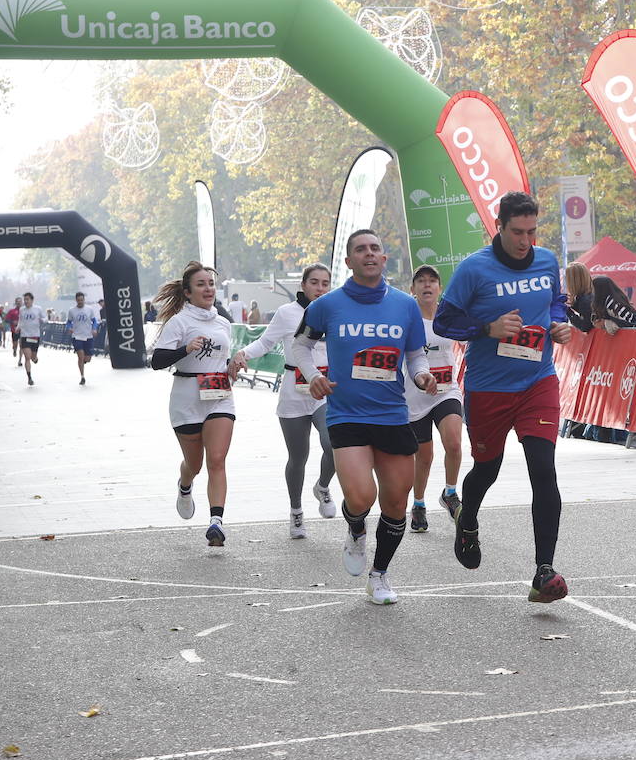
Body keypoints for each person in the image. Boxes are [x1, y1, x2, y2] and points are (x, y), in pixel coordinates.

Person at [434, 190, 573, 603]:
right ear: (498, 226)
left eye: (532, 231)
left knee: (543, 472)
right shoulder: (475, 269)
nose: (525, 241)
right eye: (517, 232)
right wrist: (486, 329)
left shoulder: (547, 261)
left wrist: (558, 324)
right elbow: (445, 321)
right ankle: (468, 518)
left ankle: (543, 571)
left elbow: (556, 303)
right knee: (487, 469)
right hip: (488, 387)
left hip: (538, 381)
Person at [304, 229, 436, 605]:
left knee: (396, 502)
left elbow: (415, 354)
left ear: (384, 257)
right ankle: (356, 528)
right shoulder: (327, 305)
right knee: (362, 497)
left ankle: (379, 575)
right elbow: (300, 345)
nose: (369, 254)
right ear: (349, 261)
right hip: (346, 413)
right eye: (360, 249)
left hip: (393, 413)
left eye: (375, 248)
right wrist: (314, 375)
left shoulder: (404, 305)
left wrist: (421, 374)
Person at [232, 264, 339, 540]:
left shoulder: (336, 311)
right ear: (303, 285)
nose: (320, 288)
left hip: (325, 389)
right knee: (298, 456)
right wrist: (243, 352)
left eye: (325, 283)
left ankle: (323, 487)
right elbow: (265, 343)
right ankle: (296, 512)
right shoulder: (287, 313)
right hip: (294, 389)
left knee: (334, 444)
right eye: (314, 282)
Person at [150, 261, 241, 546]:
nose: (208, 289)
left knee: (217, 460)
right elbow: (156, 362)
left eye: (211, 284)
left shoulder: (223, 322)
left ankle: (217, 522)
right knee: (195, 464)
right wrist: (184, 348)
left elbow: (222, 357)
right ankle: (185, 484)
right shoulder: (179, 321)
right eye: (201, 284)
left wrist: (231, 368)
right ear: (187, 293)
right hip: (186, 397)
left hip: (219, 396)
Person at [404, 264, 466, 532]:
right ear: (413, 289)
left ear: (439, 289)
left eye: (432, 281)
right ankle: (418, 504)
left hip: (446, 391)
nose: (427, 285)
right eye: (421, 281)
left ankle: (450, 492)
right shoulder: (407, 320)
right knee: (424, 457)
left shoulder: (450, 317)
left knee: (453, 442)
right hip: (415, 397)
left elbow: (470, 337)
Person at [66, 292, 99, 385]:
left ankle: (84, 361)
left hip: (88, 336)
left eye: (82, 300)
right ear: (76, 300)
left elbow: (94, 321)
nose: (80, 302)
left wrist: (94, 329)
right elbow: (68, 322)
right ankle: (82, 376)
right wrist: (69, 328)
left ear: (84, 300)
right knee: (80, 356)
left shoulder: (89, 309)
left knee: (87, 358)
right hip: (77, 336)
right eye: (78, 300)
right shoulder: (72, 310)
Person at [17, 292, 44, 386]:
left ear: (32, 300)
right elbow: (20, 320)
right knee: (27, 357)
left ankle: (35, 358)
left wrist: (42, 320)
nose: (26, 301)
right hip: (25, 336)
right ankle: (29, 377)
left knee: (33, 357)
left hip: (35, 335)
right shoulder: (22, 310)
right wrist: (18, 327)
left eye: (28, 299)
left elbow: (44, 318)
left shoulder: (38, 309)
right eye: (25, 299)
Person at [5, 297, 22, 365]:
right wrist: (12, 322)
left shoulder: (25, 311)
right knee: (15, 344)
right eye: (17, 302)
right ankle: (14, 350)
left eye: (20, 302)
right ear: (16, 303)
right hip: (14, 330)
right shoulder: (11, 311)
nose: (19, 303)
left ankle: (20, 360)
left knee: (22, 345)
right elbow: (6, 319)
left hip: (23, 330)